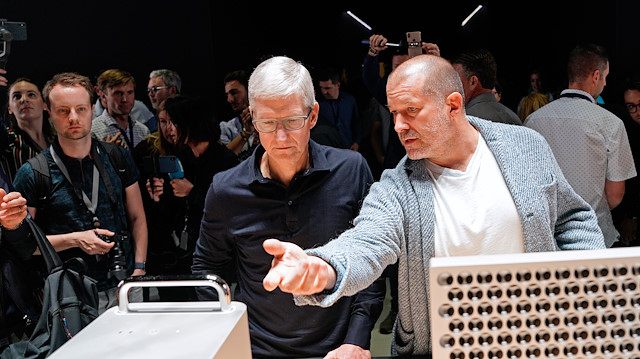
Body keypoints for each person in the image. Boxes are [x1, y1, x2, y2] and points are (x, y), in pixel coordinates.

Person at [260, 55, 606, 356]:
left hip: (535, 342)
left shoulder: (524, 147)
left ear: (453, 105)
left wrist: (589, 289)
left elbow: (571, 218)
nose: (398, 126)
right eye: (394, 113)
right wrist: (322, 267)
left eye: (411, 111)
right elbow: (366, 242)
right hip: (441, 349)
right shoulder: (398, 186)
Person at [192, 56, 385, 358]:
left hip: (337, 348)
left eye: (293, 121)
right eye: (267, 123)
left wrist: (357, 340)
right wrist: (227, 339)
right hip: (257, 347)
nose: (280, 137)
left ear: (313, 115)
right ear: (252, 117)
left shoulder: (351, 171)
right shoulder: (226, 189)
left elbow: (371, 262)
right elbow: (207, 272)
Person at [13, 72, 148, 313]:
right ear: (49, 111)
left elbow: (137, 217)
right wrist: (76, 239)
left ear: (93, 108)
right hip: (71, 295)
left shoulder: (117, 156)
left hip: (126, 284)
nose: (73, 117)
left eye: (81, 109)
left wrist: (139, 267)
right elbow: (25, 245)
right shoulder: (34, 172)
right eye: (63, 110)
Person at [361, 33, 441, 334]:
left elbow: (447, 87)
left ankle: (432, 307)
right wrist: (371, 54)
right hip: (400, 177)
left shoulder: (431, 94)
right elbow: (371, 81)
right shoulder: (394, 95)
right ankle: (396, 307)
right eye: (397, 66)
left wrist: (438, 61)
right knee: (396, 249)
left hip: (434, 175)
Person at [525, 43, 636, 248]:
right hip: (595, 235)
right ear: (596, 76)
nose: (604, 84)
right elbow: (615, 195)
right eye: (605, 77)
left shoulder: (533, 121)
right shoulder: (610, 123)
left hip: (547, 237)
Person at [1, 78, 55, 182]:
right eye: (17, 96)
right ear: (10, 109)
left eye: (31, 95)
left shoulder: (56, 142)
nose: (24, 100)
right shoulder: (7, 141)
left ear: (44, 105)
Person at [451, 48, 522, 125]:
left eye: (455, 78)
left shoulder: (463, 121)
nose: (451, 84)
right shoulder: (514, 118)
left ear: (473, 82)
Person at [91, 69, 151, 150]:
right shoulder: (93, 131)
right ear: (103, 96)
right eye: (118, 93)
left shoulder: (143, 131)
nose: (125, 99)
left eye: (129, 92)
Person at [316, 67, 362, 151]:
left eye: (327, 88)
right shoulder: (317, 104)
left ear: (338, 85)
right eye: (321, 88)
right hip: (325, 150)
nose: (324, 92)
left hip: (348, 147)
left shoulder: (350, 100)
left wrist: (357, 142)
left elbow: (356, 123)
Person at [219, 70, 258, 161]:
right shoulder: (227, 127)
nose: (229, 100)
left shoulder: (270, 122)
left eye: (234, 93)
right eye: (227, 95)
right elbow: (223, 158)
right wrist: (246, 133)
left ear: (249, 91)